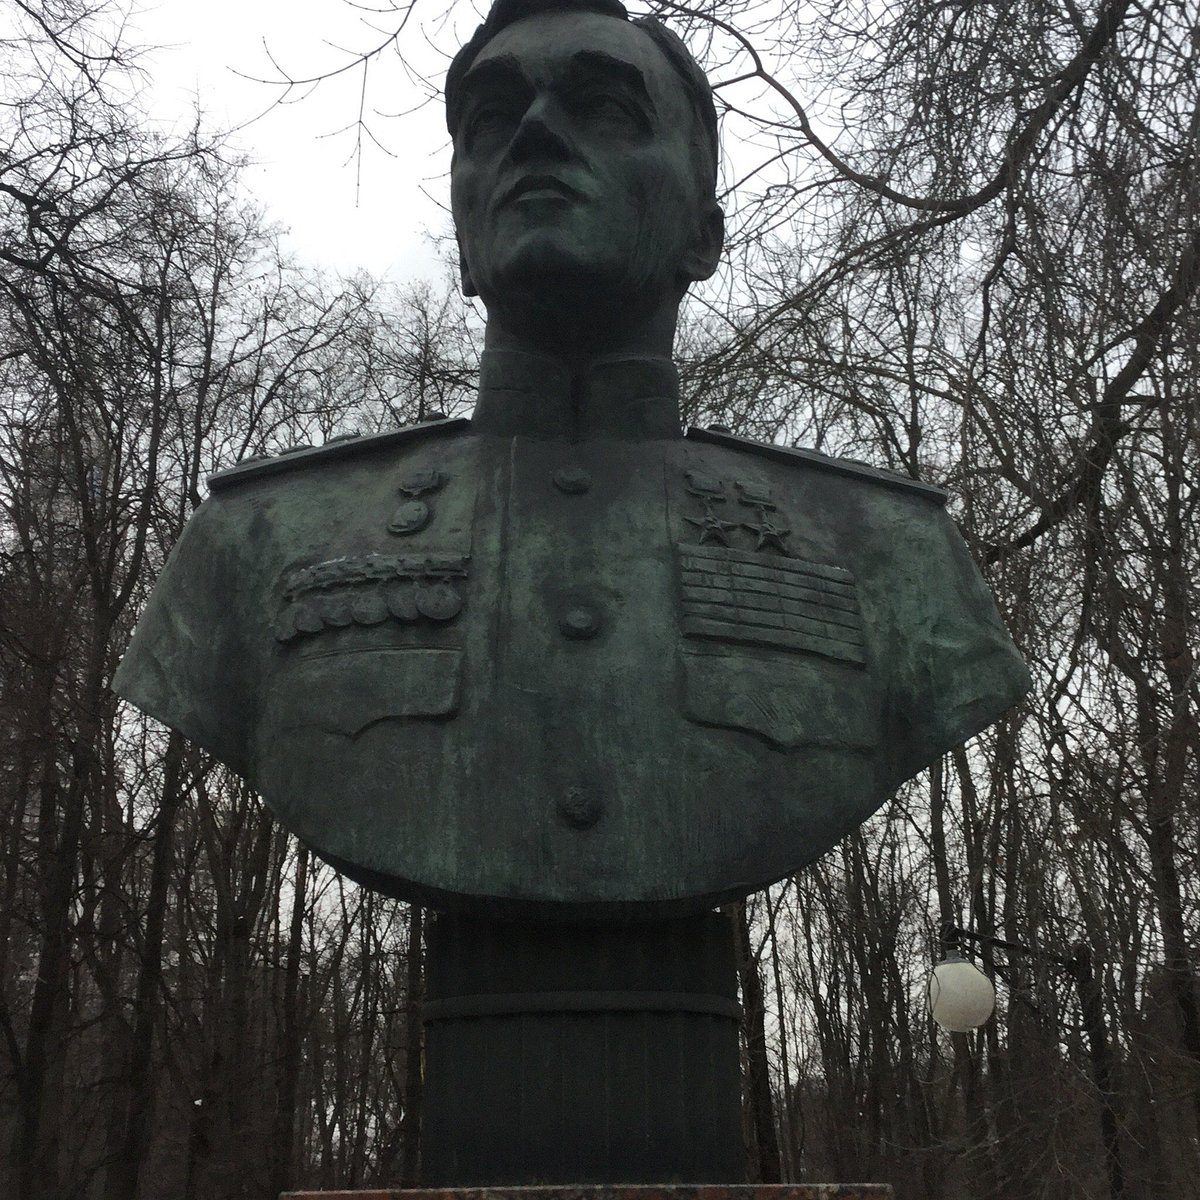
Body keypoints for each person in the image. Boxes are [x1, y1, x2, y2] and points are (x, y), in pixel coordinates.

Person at [113, 0, 1030, 920]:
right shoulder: (257, 540)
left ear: (702, 237)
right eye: (491, 119)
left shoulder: (888, 550)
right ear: (464, 244)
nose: (536, 135)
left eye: (603, 109)